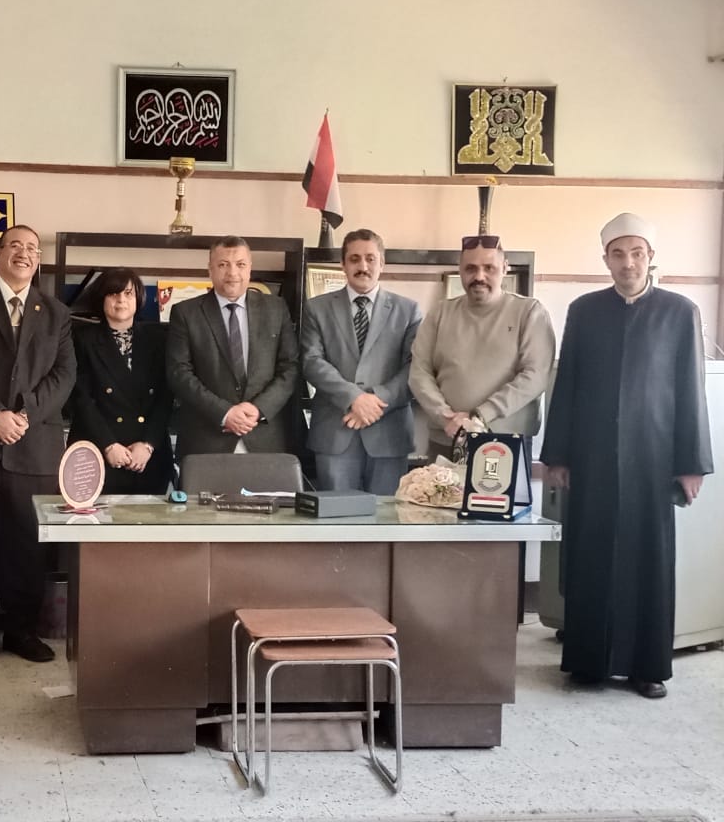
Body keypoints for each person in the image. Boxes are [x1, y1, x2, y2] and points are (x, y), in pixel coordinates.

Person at [541, 212, 712, 699]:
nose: (628, 262)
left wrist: (691, 464)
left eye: (636, 253)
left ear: (650, 257)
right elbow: (567, 383)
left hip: (654, 460)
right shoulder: (584, 310)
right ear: (606, 259)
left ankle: (647, 667)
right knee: (589, 554)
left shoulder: (680, 312)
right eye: (618, 254)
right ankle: (588, 662)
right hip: (592, 456)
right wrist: (558, 455)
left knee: (648, 562)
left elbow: (691, 390)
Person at [0, 224, 75, 666]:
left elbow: (65, 375)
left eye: (32, 249)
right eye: (15, 246)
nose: (24, 253)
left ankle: (21, 630)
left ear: (38, 259)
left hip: (34, 444)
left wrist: (25, 415)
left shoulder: (57, 312)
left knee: (28, 546)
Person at [409, 234, 555, 460]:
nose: (479, 276)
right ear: (460, 269)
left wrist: (481, 415)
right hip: (446, 437)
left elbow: (535, 375)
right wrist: (445, 417)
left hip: (505, 442)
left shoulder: (529, 312)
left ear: (505, 268)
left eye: (489, 268)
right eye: (471, 268)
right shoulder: (440, 313)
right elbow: (419, 372)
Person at [301, 229, 422, 494]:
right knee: (337, 515)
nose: (363, 266)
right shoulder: (316, 308)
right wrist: (354, 398)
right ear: (343, 264)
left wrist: (376, 401)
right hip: (335, 431)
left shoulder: (408, 310)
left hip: (389, 432)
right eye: (354, 259)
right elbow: (312, 361)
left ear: (382, 263)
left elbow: (415, 368)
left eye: (370, 258)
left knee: (387, 515)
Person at [165, 235, 299, 464]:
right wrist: (225, 413)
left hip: (264, 438)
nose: (232, 273)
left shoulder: (276, 309)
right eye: (223, 265)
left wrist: (258, 409)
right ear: (210, 269)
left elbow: (290, 367)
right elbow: (179, 373)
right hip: (206, 440)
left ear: (250, 268)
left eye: (240, 264)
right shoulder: (186, 313)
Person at [68, 268, 174, 494]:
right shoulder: (81, 339)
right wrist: (108, 445)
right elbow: (81, 397)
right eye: (113, 293)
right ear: (101, 298)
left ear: (138, 298)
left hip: (147, 456)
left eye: (128, 293)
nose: (121, 300)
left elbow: (166, 397)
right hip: (97, 452)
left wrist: (148, 445)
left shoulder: (159, 339)